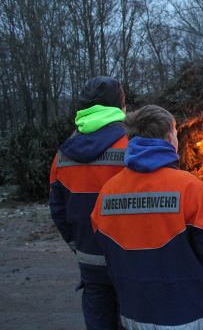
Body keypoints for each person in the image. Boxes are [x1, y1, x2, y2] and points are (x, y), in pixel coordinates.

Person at [91, 105, 203, 330]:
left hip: (136, 316)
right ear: (168, 137)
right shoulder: (190, 188)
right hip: (194, 316)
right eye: (175, 133)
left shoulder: (108, 192)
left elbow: (105, 246)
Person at [49, 76, 128, 330]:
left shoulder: (62, 155)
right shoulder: (134, 146)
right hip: (132, 264)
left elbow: (58, 210)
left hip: (91, 266)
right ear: (120, 107)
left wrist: (79, 246)